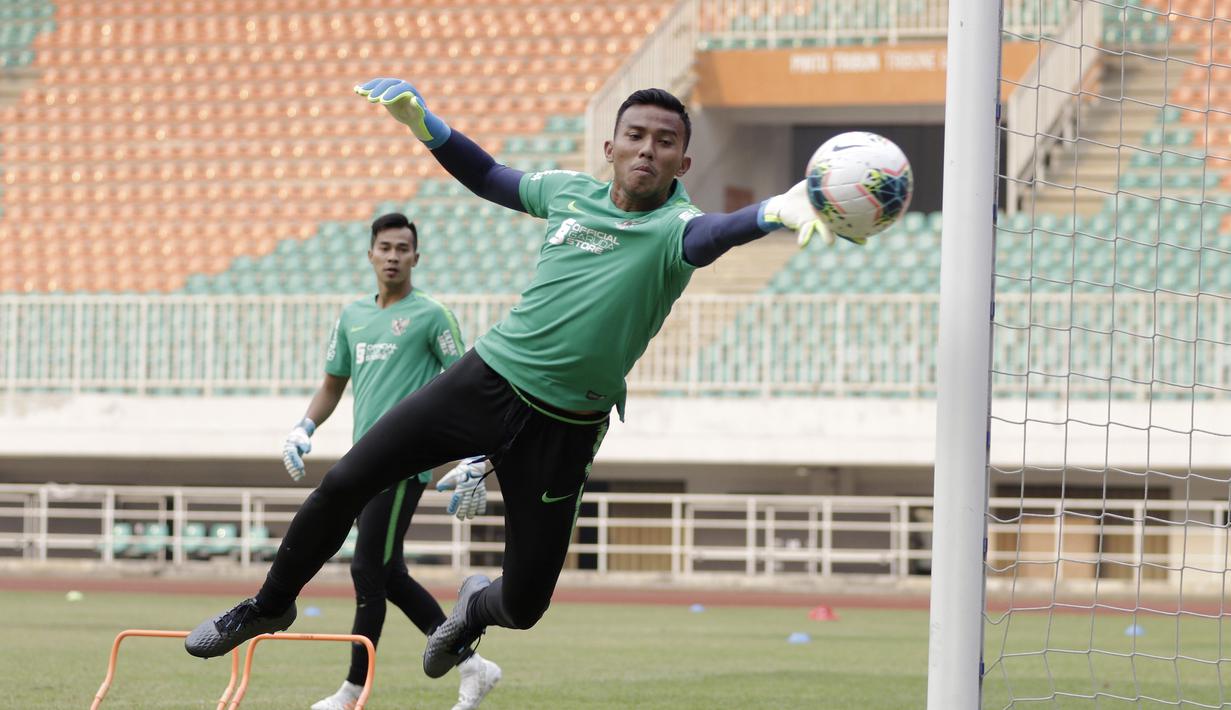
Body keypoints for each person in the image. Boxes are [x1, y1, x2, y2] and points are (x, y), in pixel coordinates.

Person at [185, 80, 838, 683]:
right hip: (487, 379)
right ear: (610, 148)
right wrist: (424, 123)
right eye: (635, 135)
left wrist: (773, 212)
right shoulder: (567, 194)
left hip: (565, 427)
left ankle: (472, 608)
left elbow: (717, 234)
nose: (647, 149)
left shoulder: (676, 228)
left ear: (683, 163)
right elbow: (490, 176)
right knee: (344, 482)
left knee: (524, 606)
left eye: (664, 142)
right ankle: (270, 605)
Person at [276, 212, 501, 710]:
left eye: (402, 248)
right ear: (371, 254)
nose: (393, 256)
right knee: (389, 574)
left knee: (366, 570)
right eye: (385, 247)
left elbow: (468, 384)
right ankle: (471, 664)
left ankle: (352, 691)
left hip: (405, 463)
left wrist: (474, 457)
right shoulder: (352, 316)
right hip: (364, 463)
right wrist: (303, 427)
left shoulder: (432, 315)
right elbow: (332, 384)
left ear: (416, 257)